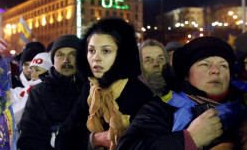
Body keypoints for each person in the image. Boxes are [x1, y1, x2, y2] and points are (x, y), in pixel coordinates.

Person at [116, 36, 247, 150]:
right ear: (186, 75)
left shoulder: (244, 103)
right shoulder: (161, 108)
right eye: (204, 64)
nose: (215, 71)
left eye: (223, 65)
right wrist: (189, 139)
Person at [55, 18, 153, 150]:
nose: (96, 57)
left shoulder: (141, 95)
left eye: (106, 51)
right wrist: (94, 139)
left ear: (122, 55)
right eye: (91, 51)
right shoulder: (90, 89)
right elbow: (63, 140)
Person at [18, 34, 84, 149]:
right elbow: (30, 139)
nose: (66, 60)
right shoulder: (39, 93)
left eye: (72, 54)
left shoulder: (93, 89)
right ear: (53, 59)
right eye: (60, 55)